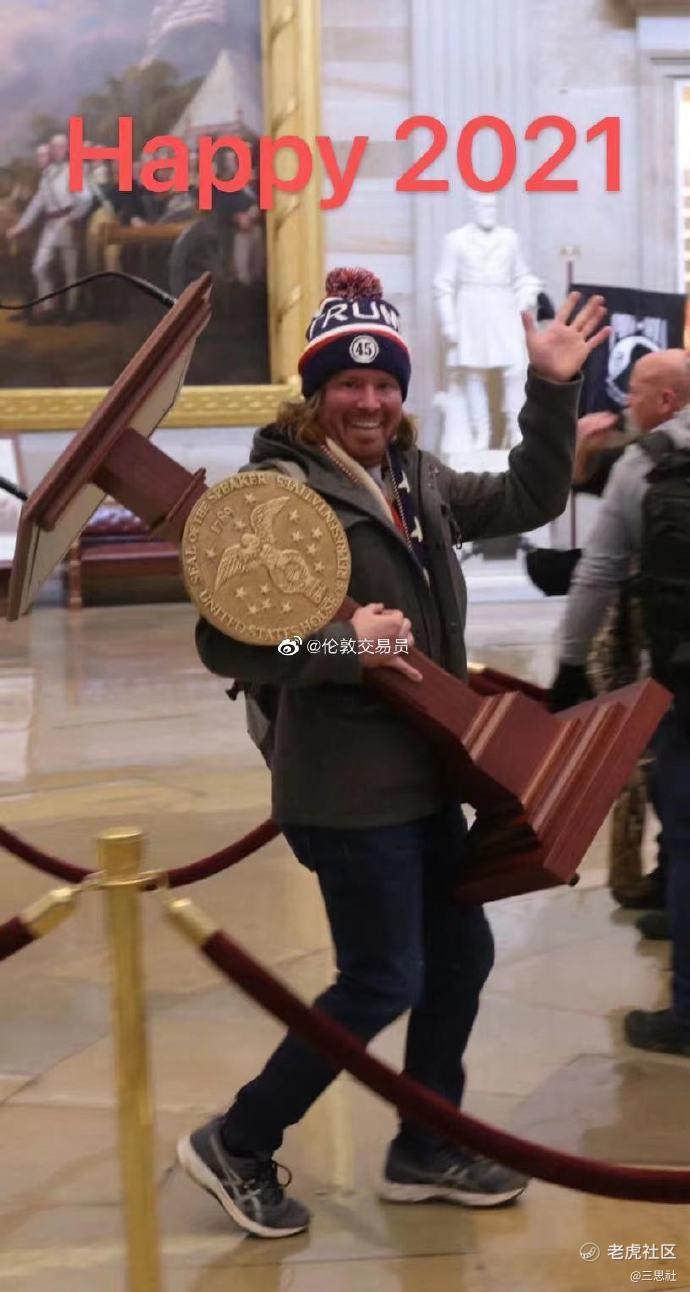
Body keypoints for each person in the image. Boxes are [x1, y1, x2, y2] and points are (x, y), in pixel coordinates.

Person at [177, 267, 609, 1238]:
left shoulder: (418, 477)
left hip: (425, 773)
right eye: (347, 382)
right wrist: (344, 646)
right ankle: (238, 1141)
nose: (368, 400)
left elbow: (533, 493)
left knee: (460, 953)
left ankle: (426, 1143)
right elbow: (224, 645)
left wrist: (551, 389)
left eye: (383, 383)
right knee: (382, 976)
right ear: (315, 392)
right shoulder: (278, 493)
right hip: (345, 787)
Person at [550, 347, 690, 1056]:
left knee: (686, 824)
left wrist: (570, 665)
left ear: (667, 400)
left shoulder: (646, 464)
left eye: (637, 390)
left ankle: (687, 1013)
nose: (626, 401)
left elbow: (597, 572)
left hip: (682, 676)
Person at [433, 195, 540, 457]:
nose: (488, 211)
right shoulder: (456, 239)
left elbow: (522, 276)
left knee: (514, 370)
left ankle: (516, 430)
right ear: (472, 209)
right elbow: (443, 284)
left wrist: (527, 294)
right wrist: (449, 322)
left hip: (503, 305)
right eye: (483, 206)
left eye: (492, 206)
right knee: (473, 373)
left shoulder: (509, 238)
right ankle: (481, 433)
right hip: (470, 308)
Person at [5, 133, 92, 321]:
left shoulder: (73, 171)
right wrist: (20, 227)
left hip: (68, 224)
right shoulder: (47, 175)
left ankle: (71, 310)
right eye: (54, 147)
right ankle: (48, 306)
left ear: (67, 149)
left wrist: (74, 216)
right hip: (51, 226)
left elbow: (86, 199)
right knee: (39, 266)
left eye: (61, 147)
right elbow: (37, 204)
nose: (57, 150)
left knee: (70, 270)